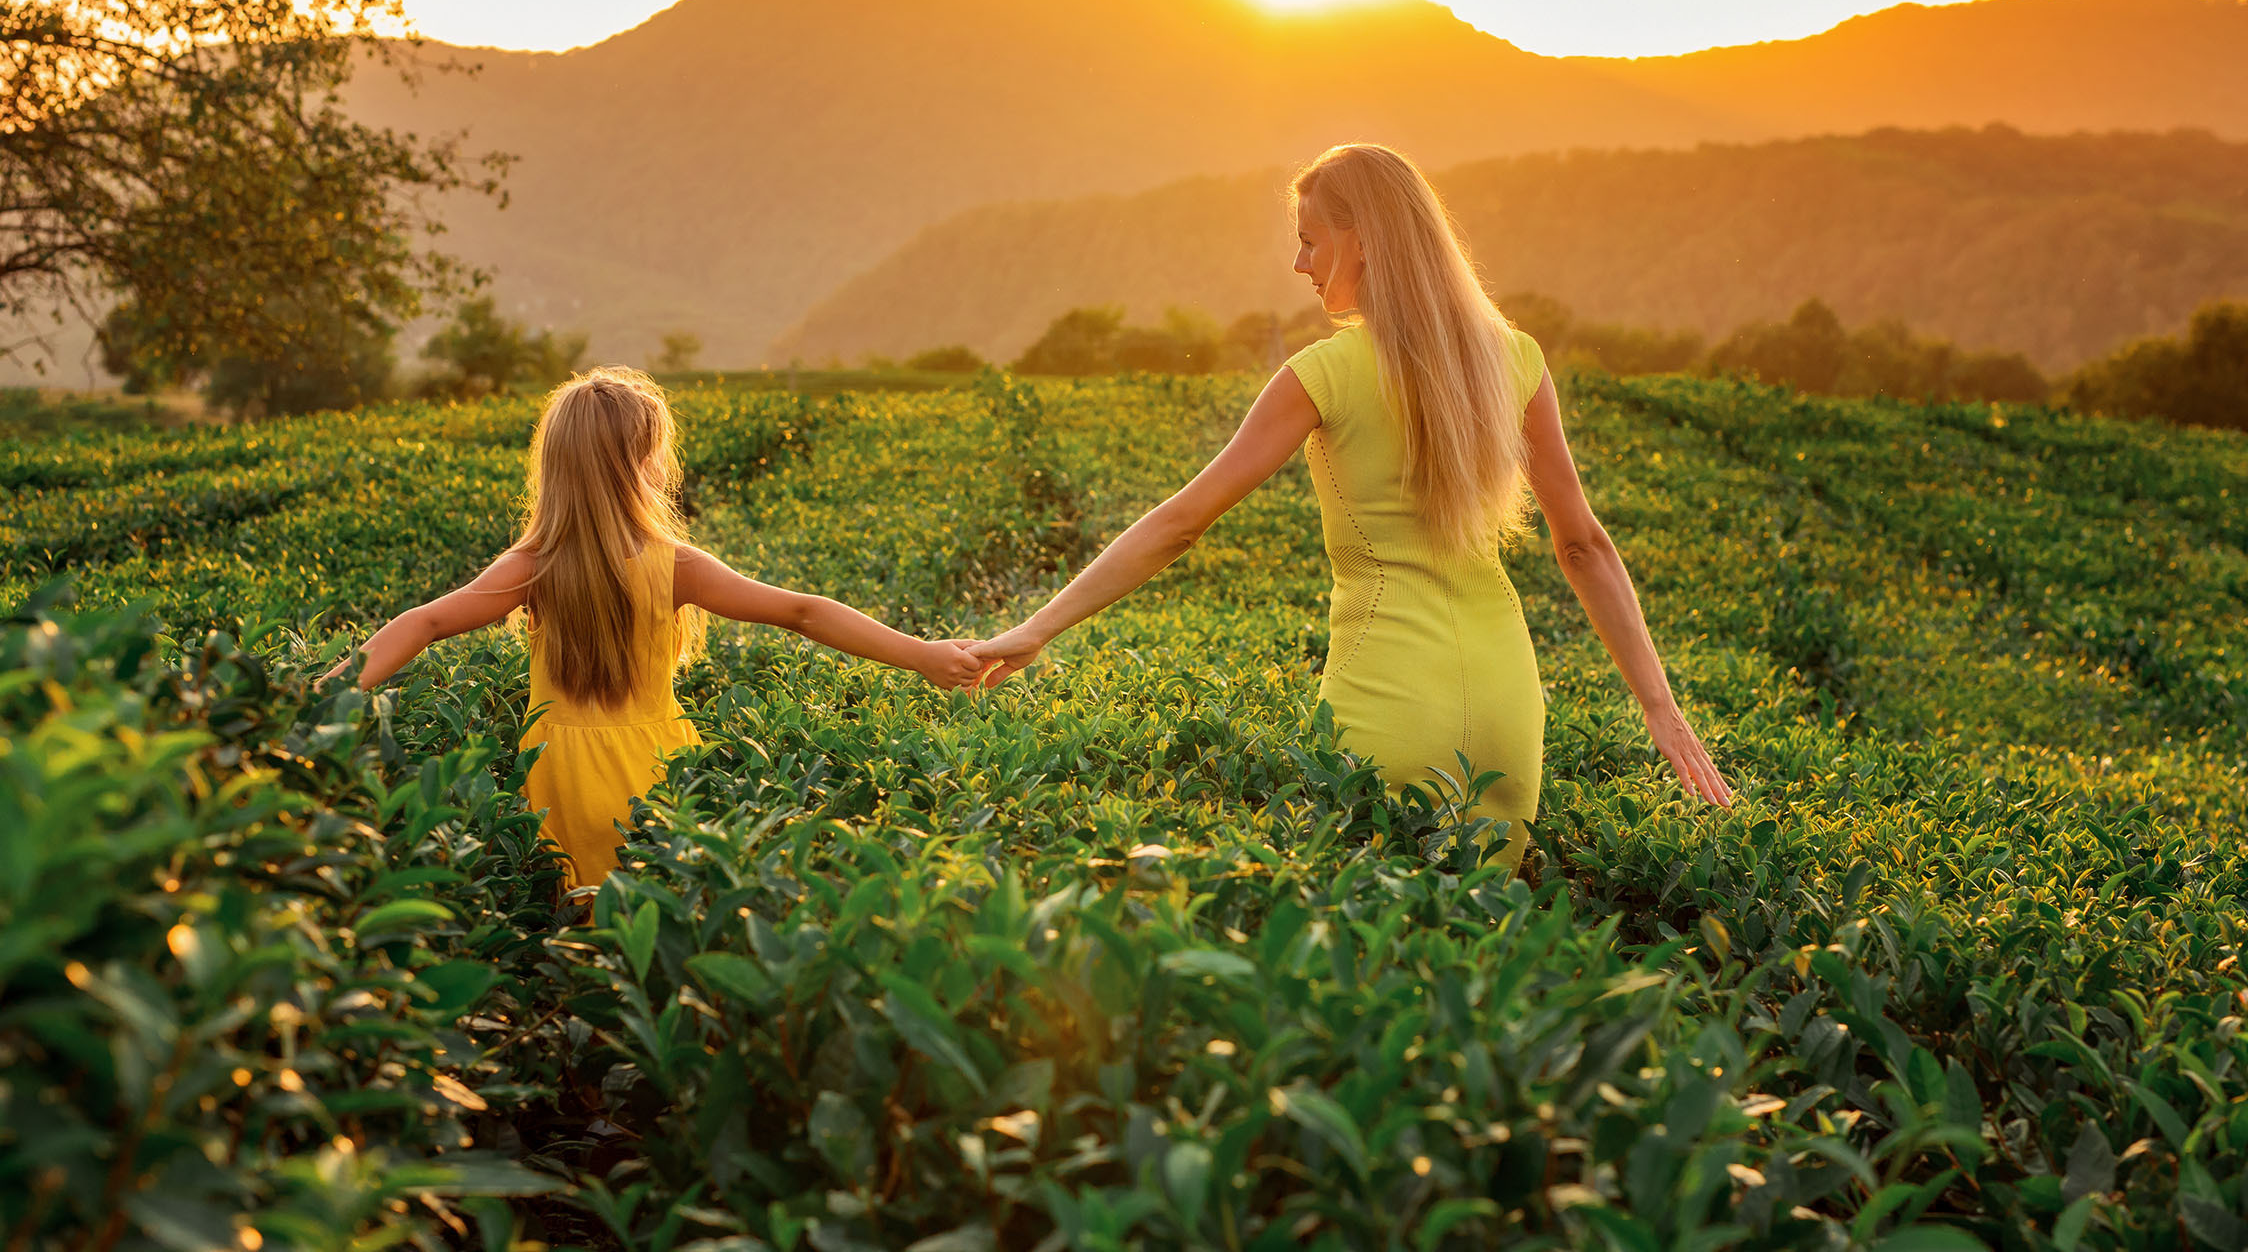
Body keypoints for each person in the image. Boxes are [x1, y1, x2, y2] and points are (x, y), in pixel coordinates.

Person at [969, 144, 1730, 865]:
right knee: (1479, 965)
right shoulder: (1517, 360)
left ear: (1361, 240)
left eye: (1310, 240)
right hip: (1507, 706)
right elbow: (1584, 547)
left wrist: (1038, 628)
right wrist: (1659, 708)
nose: (1298, 262)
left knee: (1367, 964)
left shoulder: (1321, 373)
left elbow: (1180, 523)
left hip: (1386, 697)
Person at [340, 367, 983, 893]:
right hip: (656, 768)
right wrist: (921, 654)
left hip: (559, 773)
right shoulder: (674, 566)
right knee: (656, 928)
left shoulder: (529, 567)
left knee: (581, 938)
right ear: (639, 462)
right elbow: (803, 612)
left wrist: (321, 696)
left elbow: (421, 622)